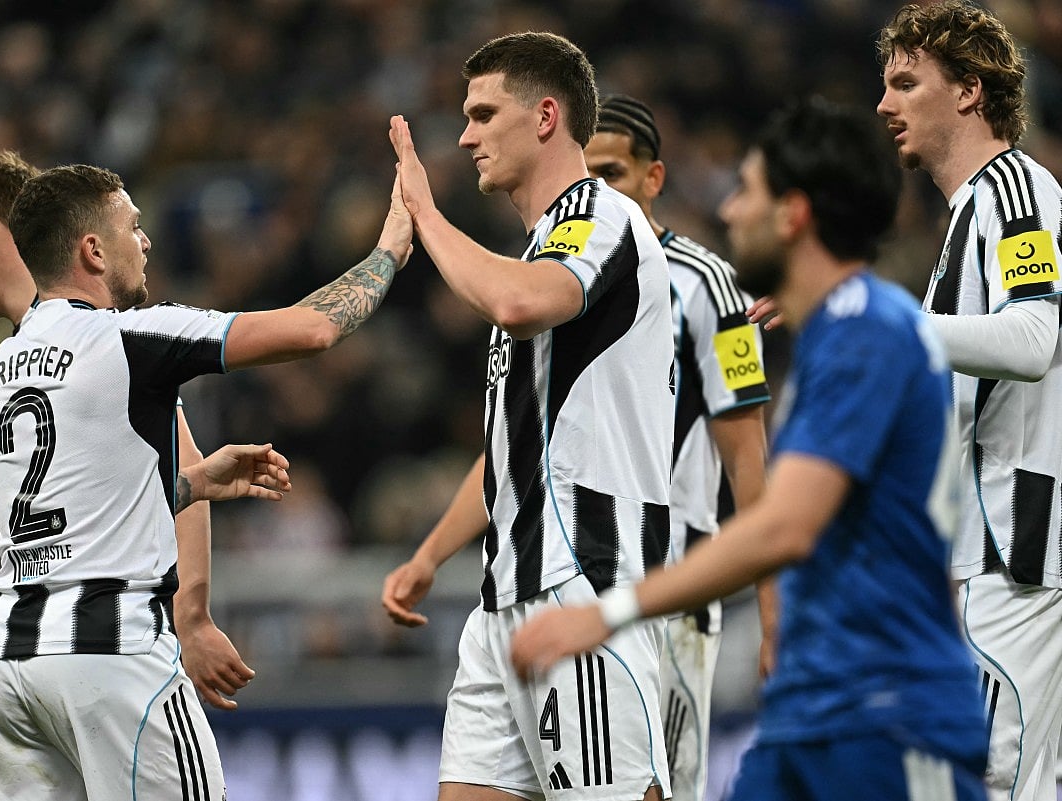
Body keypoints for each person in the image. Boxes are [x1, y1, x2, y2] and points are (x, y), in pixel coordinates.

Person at [510, 98, 989, 800]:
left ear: (792, 214)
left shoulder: (868, 328)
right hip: (812, 714)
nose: (729, 212)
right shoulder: (831, 335)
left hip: (889, 717)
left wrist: (607, 612)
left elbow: (784, 525)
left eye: (747, 192)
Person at [0, 161, 411, 801]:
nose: (144, 242)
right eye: (132, 227)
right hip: (114, 656)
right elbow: (314, 329)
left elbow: (76, 515)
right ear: (92, 249)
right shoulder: (130, 335)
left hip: (9, 665)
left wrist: (191, 483)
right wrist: (390, 248)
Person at [382, 31, 673, 801]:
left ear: (546, 116)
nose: (465, 135)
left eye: (483, 113)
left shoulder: (600, 216)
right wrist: (431, 554)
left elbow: (517, 303)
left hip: (586, 576)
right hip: (505, 593)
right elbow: (518, 449)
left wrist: (425, 212)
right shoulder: (543, 245)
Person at [0, 151, 264, 741]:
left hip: (104, 647)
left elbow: (180, 466)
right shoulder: (31, 354)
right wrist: (25, 624)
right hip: (53, 648)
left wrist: (192, 614)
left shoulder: (102, 338)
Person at [876, 4, 1062, 799]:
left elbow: (1032, 338)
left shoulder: (1016, 190)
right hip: (981, 556)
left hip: (1017, 550)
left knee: (991, 779)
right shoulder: (967, 217)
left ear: (968, 92)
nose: (885, 105)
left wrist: (881, 319)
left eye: (906, 83)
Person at [583, 93, 771, 801]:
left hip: (671, 594)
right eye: (586, 176)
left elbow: (749, 463)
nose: (598, 194)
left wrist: (774, 621)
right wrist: (428, 554)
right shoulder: (556, 285)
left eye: (615, 174)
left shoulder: (709, 285)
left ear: (654, 178)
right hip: (572, 586)